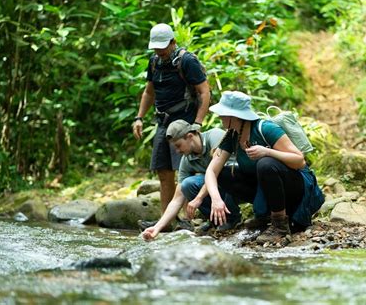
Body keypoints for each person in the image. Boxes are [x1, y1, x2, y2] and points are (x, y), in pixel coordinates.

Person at [204, 91, 325, 244]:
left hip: (296, 188)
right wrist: (216, 199)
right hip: (268, 189)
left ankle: (279, 225)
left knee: (265, 163)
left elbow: (299, 160)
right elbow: (211, 171)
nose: (219, 117)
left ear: (233, 116)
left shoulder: (265, 128)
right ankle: (265, 217)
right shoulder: (232, 135)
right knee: (224, 173)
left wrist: (267, 151)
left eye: (222, 114)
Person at [132, 23, 211, 217]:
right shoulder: (154, 62)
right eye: (156, 48)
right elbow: (149, 92)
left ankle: (188, 219)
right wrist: (139, 117)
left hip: (185, 122)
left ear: (173, 42)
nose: (160, 51)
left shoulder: (186, 61)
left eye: (163, 47)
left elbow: (204, 91)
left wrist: (198, 123)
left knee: (185, 171)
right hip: (163, 123)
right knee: (164, 171)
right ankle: (166, 220)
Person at [142, 120, 241, 241]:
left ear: (189, 136)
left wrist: (198, 198)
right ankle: (218, 220)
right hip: (219, 188)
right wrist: (156, 228)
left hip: (241, 181)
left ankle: (233, 217)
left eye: (178, 145)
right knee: (187, 185)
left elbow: (217, 172)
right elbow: (177, 199)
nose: (177, 151)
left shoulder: (214, 136)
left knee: (224, 174)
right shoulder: (187, 159)